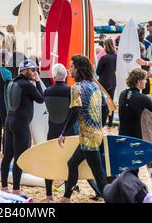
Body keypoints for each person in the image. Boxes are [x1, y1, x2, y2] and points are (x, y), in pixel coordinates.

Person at [58, 55, 109, 202]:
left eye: (72, 66)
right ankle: (66, 197)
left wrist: (64, 133)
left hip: (88, 138)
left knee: (98, 174)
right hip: (95, 135)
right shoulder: (95, 86)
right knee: (72, 163)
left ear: (78, 69)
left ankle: (109, 198)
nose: (70, 69)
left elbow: (75, 111)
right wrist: (99, 125)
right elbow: (105, 109)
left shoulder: (77, 88)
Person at [1, 59, 44, 195]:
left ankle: (4, 187)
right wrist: (37, 82)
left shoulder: (12, 82)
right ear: (24, 71)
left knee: (7, 156)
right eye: (32, 70)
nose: (34, 72)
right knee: (19, 157)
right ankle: (16, 189)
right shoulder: (27, 85)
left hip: (9, 120)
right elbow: (41, 98)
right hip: (20, 124)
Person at [43, 63, 74, 202]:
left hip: (52, 131)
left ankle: (49, 194)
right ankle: (67, 195)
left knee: (50, 161)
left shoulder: (47, 91)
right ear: (66, 74)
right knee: (69, 163)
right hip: (68, 131)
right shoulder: (71, 91)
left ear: (54, 76)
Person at [118, 69, 152, 139]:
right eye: (145, 79)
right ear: (139, 82)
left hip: (121, 136)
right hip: (135, 138)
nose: (146, 81)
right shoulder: (142, 98)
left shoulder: (122, 93)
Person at [96, 39, 117, 126]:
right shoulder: (116, 56)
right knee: (110, 102)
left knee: (102, 103)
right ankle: (110, 123)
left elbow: (98, 72)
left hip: (103, 83)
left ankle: (102, 122)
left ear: (105, 46)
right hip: (112, 81)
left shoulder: (104, 58)